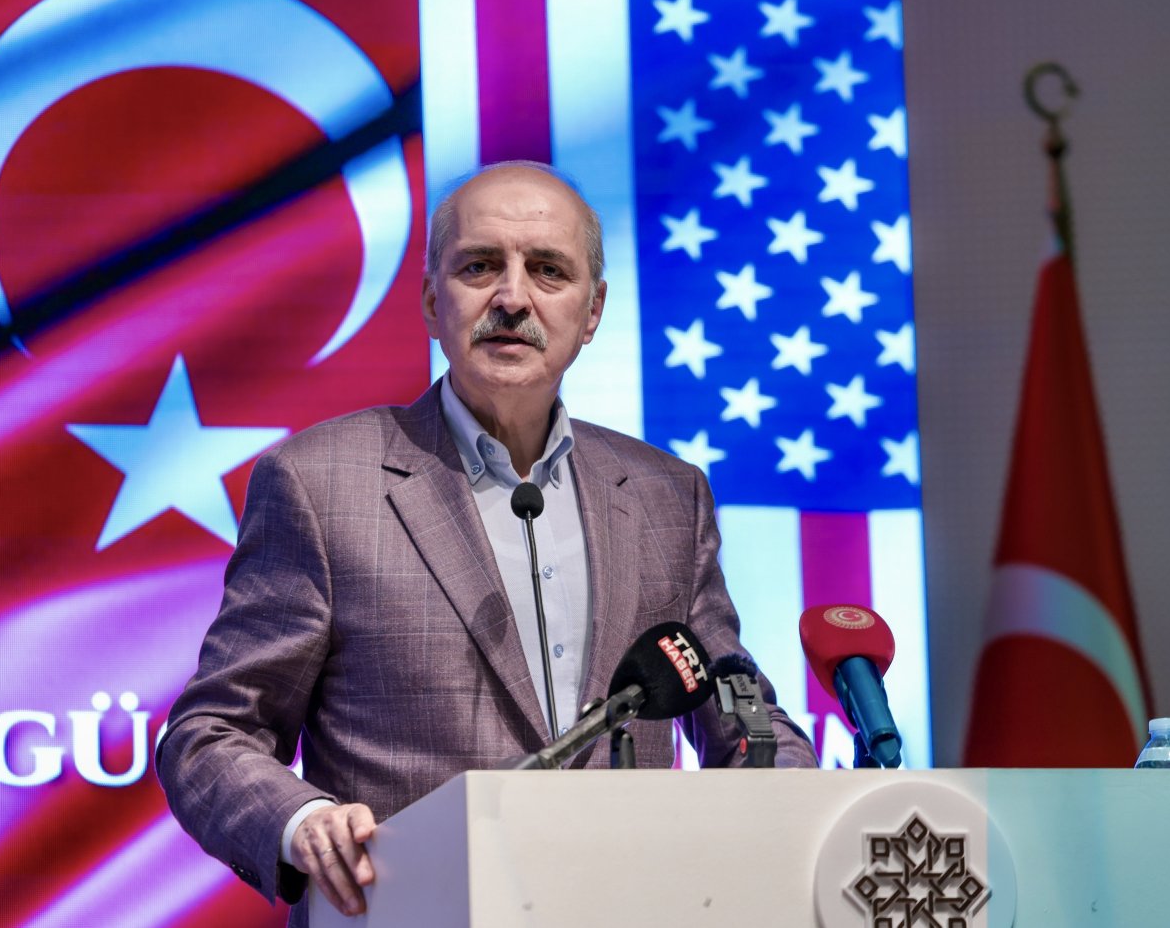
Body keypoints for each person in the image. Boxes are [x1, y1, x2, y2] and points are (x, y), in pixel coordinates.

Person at [156, 161, 815, 924]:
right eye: (479, 266)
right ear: (434, 299)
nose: (512, 297)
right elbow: (211, 734)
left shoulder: (668, 495)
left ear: (592, 310)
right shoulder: (321, 484)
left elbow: (741, 715)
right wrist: (304, 823)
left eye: (547, 270)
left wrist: (796, 797)